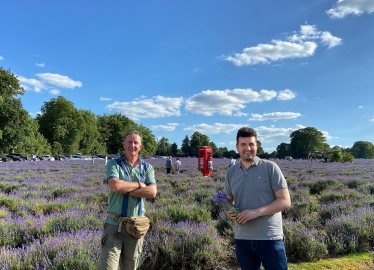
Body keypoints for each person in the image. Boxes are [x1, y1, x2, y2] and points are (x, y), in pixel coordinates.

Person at [224, 127, 291, 270]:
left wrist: (256, 212)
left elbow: (285, 201)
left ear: (257, 146)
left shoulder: (270, 168)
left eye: (251, 144)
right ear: (237, 147)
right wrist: (229, 211)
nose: (247, 148)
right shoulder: (231, 172)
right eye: (243, 144)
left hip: (269, 238)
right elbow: (228, 200)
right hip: (242, 238)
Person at [97, 131, 157, 270]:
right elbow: (115, 186)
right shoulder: (114, 164)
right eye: (129, 142)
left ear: (140, 146)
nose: (132, 145)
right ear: (124, 144)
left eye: (136, 142)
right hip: (114, 225)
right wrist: (140, 185)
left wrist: (125, 187)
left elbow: (152, 192)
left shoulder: (147, 168)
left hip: (136, 226)